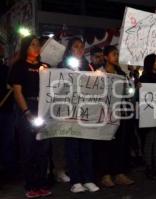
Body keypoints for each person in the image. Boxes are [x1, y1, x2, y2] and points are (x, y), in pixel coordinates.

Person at [9, 35, 52, 198]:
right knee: (28, 149)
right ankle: (30, 185)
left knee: (43, 149)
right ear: (26, 47)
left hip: (43, 108)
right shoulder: (19, 66)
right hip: (27, 107)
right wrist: (26, 112)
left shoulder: (45, 66)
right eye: (33, 45)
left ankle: (42, 184)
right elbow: (17, 92)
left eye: (38, 45)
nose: (36, 47)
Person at [58, 37, 100, 193]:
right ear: (70, 49)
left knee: (87, 147)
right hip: (70, 112)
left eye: (82, 47)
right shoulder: (62, 66)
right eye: (76, 47)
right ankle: (75, 181)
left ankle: (88, 179)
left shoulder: (88, 66)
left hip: (85, 112)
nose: (80, 49)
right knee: (72, 146)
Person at [96, 45, 135, 187]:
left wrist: (132, 84)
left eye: (117, 54)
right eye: (113, 54)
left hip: (121, 113)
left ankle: (119, 173)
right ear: (106, 57)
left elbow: (128, 93)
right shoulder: (99, 73)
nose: (117, 57)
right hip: (106, 114)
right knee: (106, 144)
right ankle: (105, 175)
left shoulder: (121, 74)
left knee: (121, 144)